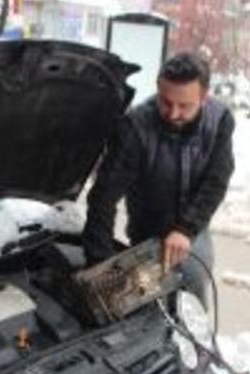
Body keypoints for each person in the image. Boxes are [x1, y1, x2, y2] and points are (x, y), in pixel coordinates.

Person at [82, 52, 235, 306]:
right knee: (150, 305)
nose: (173, 113)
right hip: (147, 234)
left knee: (194, 290)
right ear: (157, 88)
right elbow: (103, 198)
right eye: (165, 101)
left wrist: (185, 229)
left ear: (204, 97)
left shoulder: (219, 120)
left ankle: (197, 343)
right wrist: (100, 265)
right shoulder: (135, 127)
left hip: (193, 229)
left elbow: (216, 180)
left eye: (184, 106)